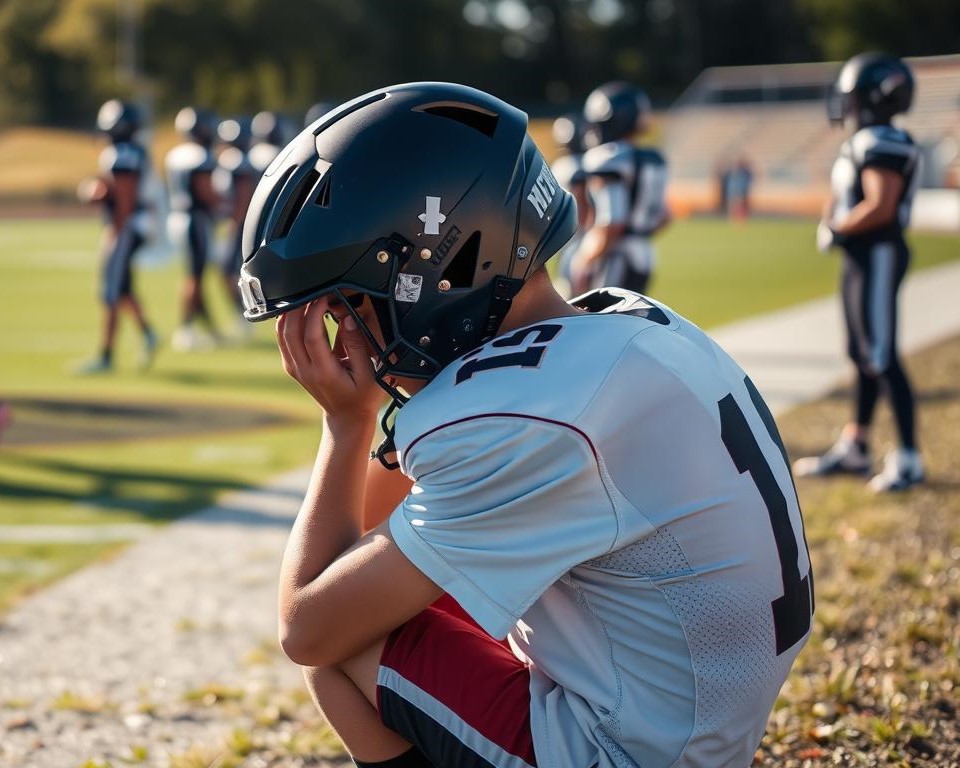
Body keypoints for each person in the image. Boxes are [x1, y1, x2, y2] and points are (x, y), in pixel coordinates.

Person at [238, 82, 813, 768]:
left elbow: (308, 626)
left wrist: (346, 424)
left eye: (353, 305)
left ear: (441, 267)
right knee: (380, 594)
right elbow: (366, 537)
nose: (347, 335)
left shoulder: (518, 416)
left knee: (345, 640)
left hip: (632, 749)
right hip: (695, 711)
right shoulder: (621, 321)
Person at [794, 53, 924, 493]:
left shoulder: (882, 141)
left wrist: (836, 226)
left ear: (870, 98)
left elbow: (880, 205)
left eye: (851, 98)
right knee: (862, 352)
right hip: (865, 255)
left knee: (881, 354)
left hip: (879, 252)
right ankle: (857, 445)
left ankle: (909, 458)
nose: (845, 107)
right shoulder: (873, 138)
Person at [75, 99, 159, 374]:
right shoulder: (131, 152)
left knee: (111, 291)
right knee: (120, 289)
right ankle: (147, 334)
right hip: (135, 224)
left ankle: (106, 356)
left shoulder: (123, 155)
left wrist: (116, 232)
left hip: (128, 225)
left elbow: (125, 199)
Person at [569, 81, 671, 296]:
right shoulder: (653, 159)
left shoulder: (608, 158)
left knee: (600, 325)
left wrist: (585, 259)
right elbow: (664, 216)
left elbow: (612, 221)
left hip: (614, 258)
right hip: (644, 255)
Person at [166, 106, 222, 350]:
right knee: (195, 277)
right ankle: (186, 328)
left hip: (177, 217)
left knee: (193, 275)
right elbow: (205, 192)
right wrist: (222, 207)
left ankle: (207, 328)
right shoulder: (201, 156)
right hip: (195, 219)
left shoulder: (175, 154)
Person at [213, 116, 257, 332]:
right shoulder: (238, 158)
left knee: (231, 272)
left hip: (239, 224)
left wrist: (234, 222)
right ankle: (243, 316)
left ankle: (246, 316)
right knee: (229, 272)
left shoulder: (236, 160)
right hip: (239, 223)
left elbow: (242, 195)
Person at [549, 112, 594, 296]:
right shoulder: (589, 162)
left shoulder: (561, 166)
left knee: (569, 292)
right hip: (584, 236)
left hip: (568, 236)